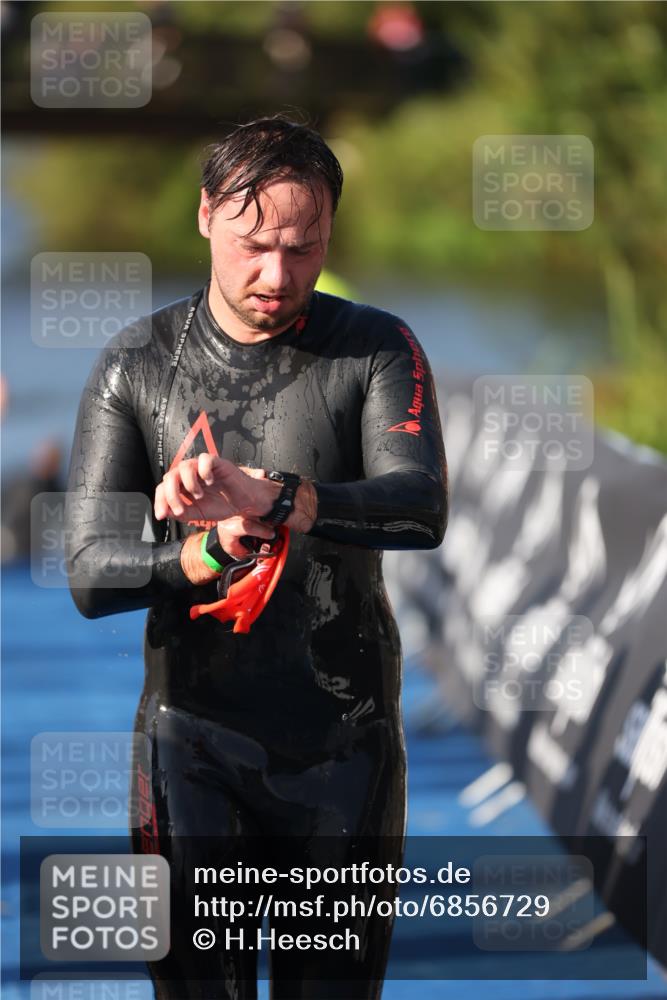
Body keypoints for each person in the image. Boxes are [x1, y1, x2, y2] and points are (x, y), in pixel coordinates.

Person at [66, 115, 447, 1000]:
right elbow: (88, 572)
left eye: (303, 248)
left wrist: (277, 497)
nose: (277, 276)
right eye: (254, 245)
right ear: (205, 218)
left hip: (343, 746)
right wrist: (199, 555)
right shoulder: (136, 365)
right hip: (188, 748)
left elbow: (418, 505)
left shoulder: (374, 347)